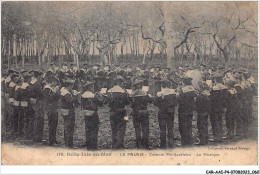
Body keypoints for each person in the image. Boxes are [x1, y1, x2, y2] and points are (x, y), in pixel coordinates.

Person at [107, 76, 130, 149]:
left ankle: (114, 145)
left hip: (112, 112)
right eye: (122, 82)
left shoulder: (109, 91)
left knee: (113, 128)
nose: (123, 84)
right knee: (122, 129)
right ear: (119, 82)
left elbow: (108, 103)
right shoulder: (123, 92)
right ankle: (121, 145)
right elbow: (127, 102)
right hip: (122, 111)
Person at [81, 81, 104, 150]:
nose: (93, 88)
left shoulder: (83, 95)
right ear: (90, 87)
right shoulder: (93, 95)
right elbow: (100, 103)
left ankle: (88, 145)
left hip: (86, 113)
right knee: (94, 129)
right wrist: (100, 96)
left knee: (88, 129)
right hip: (93, 114)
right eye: (92, 86)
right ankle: (93, 146)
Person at [130, 79, 152, 149]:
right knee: (145, 129)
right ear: (141, 86)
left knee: (137, 129)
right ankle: (145, 144)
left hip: (135, 112)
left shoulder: (132, 94)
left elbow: (129, 103)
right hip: (144, 112)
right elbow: (150, 101)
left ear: (135, 86)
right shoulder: (145, 93)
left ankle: (138, 145)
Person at [155, 79, 177, 148]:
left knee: (162, 129)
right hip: (170, 112)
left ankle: (163, 145)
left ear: (162, 86)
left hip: (162, 112)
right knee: (170, 128)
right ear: (169, 85)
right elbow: (175, 103)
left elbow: (155, 103)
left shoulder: (159, 94)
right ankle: (171, 144)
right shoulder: (173, 93)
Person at [177, 76, 197, 146]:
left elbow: (179, 99)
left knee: (183, 126)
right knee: (189, 125)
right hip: (190, 110)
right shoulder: (192, 89)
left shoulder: (183, 90)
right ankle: (190, 140)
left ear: (184, 82)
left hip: (183, 110)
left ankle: (184, 142)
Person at [60, 78, 78, 148]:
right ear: (69, 86)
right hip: (69, 111)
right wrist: (75, 95)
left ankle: (68, 143)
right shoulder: (66, 93)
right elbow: (70, 101)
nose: (72, 87)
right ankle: (69, 144)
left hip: (65, 110)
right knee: (69, 127)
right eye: (71, 86)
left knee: (67, 127)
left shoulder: (64, 91)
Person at [209, 73, 227, 142]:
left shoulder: (215, 88)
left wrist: (210, 91)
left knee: (214, 121)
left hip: (214, 107)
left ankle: (216, 137)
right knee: (220, 121)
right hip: (221, 106)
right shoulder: (224, 87)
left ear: (215, 80)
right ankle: (220, 135)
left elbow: (212, 99)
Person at [43, 76, 60, 146]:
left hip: (54, 108)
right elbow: (49, 99)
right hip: (50, 109)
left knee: (55, 124)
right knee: (51, 125)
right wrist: (55, 92)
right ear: (52, 82)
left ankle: (53, 139)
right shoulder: (46, 89)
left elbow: (57, 97)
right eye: (55, 83)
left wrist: (57, 92)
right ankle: (51, 140)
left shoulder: (51, 89)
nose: (56, 84)